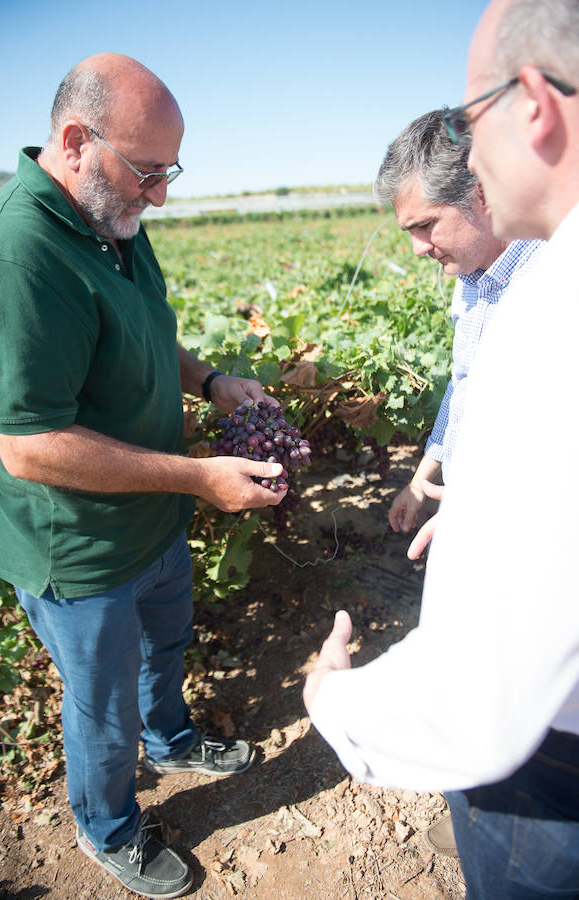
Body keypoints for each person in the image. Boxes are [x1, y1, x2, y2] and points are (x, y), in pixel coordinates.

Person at [0, 54, 287, 899]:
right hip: (76, 545)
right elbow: (29, 445)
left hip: (150, 512)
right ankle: (107, 825)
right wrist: (195, 475)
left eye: (167, 173)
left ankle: (174, 739)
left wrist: (212, 382)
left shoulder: (109, 216)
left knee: (166, 646)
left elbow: (147, 332)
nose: (159, 196)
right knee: (100, 707)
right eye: (148, 172)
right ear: (76, 141)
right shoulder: (18, 252)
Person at [304, 1, 579, 896]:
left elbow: (484, 701)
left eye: (473, 114)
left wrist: (332, 699)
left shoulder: (553, 313)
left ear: (531, 102)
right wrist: (448, 481)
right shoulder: (513, 292)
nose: (473, 144)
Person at [374, 110, 542, 559]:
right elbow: (464, 386)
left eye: (426, 225)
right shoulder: (469, 285)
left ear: (481, 193)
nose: (418, 249)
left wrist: (488, 508)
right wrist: (421, 481)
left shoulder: (553, 281)